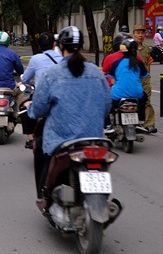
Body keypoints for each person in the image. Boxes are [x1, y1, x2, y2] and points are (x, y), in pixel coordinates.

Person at [28, 26, 111, 210]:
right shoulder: (96, 72)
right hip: (94, 139)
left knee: (40, 146)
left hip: (61, 140)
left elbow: (39, 108)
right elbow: (107, 105)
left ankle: (45, 195)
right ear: (81, 46)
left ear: (59, 45)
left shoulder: (52, 74)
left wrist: (30, 111)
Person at [17, 32, 62, 149]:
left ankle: (30, 138)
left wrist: (21, 82)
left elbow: (26, 78)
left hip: (41, 97)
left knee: (23, 108)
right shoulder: (62, 60)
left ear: (40, 46)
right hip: (60, 98)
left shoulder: (36, 59)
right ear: (54, 44)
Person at [104, 38, 149, 133]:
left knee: (106, 102)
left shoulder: (116, 63)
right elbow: (144, 76)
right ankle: (140, 121)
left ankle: (108, 125)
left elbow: (111, 77)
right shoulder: (139, 62)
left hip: (118, 94)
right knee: (144, 98)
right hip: (137, 94)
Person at [133, 24, 157, 133]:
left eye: (142, 33)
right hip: (133, 79)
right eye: (138, 33)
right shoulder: (130, 48)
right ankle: (134, 122)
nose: (140, 35)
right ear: (133, 34)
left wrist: (148, 76)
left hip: (144, 79)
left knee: (147, 101)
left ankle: (149, 124)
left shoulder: (147, 48)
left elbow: (148, 63)